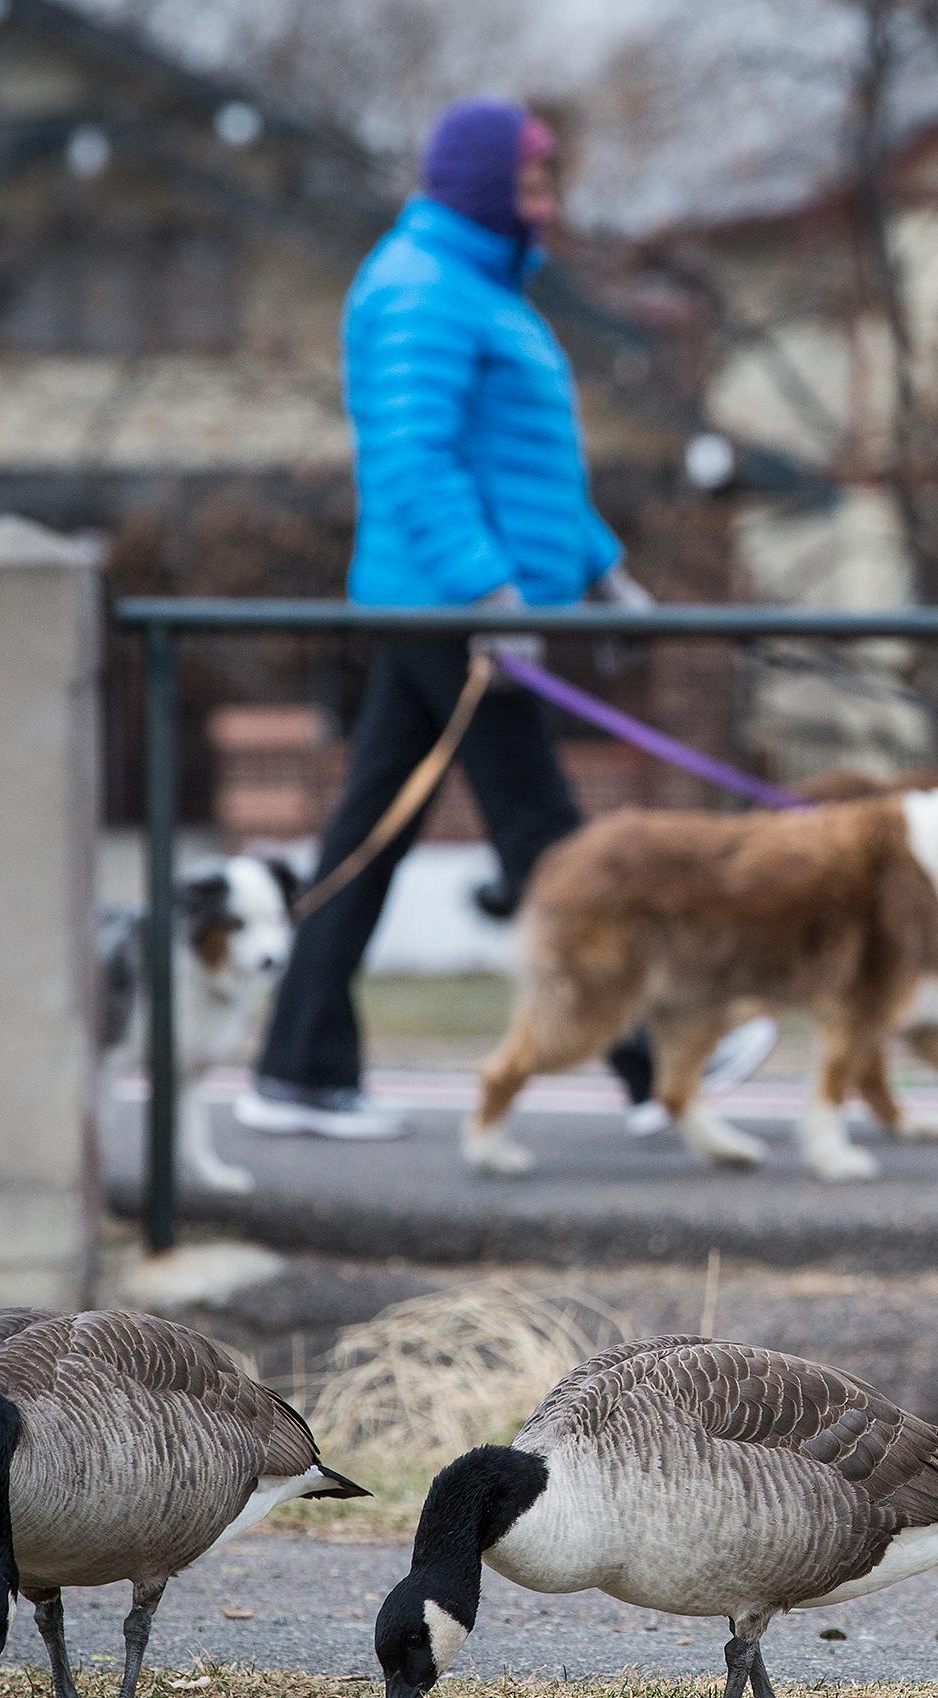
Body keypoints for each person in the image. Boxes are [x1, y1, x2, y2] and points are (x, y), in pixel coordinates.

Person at [241, 96, 770, 1142]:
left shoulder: (477, 290)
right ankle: (656, 1048)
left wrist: (604, 575)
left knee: (374, 835)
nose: (552, 203)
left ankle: (300, 1065)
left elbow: (527, 475)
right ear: (485, 185)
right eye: (534, 183)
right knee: (547, 838)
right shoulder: (422, 291)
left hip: (462, 607)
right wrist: (489, 595)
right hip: (453, 613)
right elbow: (413, 462)